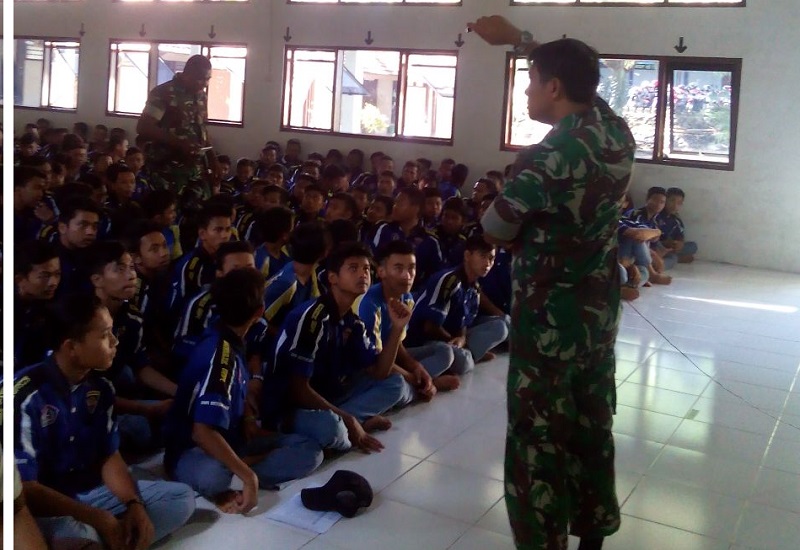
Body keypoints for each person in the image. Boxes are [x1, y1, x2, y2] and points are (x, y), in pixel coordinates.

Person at [471, 15, 637, 550]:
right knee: (591, 425)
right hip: (596, 319)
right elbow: (589, 86)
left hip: (547, 324)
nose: (525, 89)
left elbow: (494, 228)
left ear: (553, 88)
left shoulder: (550, 157)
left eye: (530, 79)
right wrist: (523, 42)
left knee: (537, 440)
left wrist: (509, 188)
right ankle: (593, 533)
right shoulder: (614, 132)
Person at [12, 294, 196, 547]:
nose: (115, 341)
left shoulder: (101, 388)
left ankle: (100, 538)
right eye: (104, 335)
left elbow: (109, 455)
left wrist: (134, 504)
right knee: (77, 533)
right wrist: (99, 519)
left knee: (180, 499)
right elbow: (25, 488)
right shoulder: (24, 396)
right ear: (71, 348)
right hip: (42, 507)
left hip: (89, 493)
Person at [165, 268, 323, 513]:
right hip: (190, 450)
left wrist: (248, 417)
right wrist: (248, 477)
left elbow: (234, 393)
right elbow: (201, 432)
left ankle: (240, 467)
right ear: (259, 312)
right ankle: (243, 471)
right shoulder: (220, 354)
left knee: (309, 449)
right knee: (215, 476)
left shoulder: (229, 338)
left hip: (233, 439)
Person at [269, 242, 410, 453]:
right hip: (291, 405)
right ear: (333, 278)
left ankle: (348, 424)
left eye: (366, 269)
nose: (363, 274)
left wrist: (398, 327)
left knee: (396, 384)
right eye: (353, 268)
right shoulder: (313, 318)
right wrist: (348, 419)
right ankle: (348, 425)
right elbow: (297, 389)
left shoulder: (352, 322)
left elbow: (380, 372)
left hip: (330, 395)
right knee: (331, 429)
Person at [358, 240, 459, 398]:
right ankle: (423, 387)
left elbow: (397, 345)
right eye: (398, 268)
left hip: (389, 357)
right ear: (381, 271)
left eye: (411, 268)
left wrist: (416, 367)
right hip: (372, 366)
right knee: (396, 386)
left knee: (445, 352)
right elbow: (376, 365)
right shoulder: (370, 305)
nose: (407, 276)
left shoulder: (407, 298)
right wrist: (412, 377)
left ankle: (423, 385)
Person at [406, 235, 509, 374]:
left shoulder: (474, 287)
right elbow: (429, 327)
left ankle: (468, 355)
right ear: (467, 255)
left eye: (491, 258)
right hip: (424, 340)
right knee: (463, 362)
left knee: (502, 326)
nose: (487, 263)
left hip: (451, 338)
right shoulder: (449, 280)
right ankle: (463, 359)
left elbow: (463, 322)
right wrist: (456, 341)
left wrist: (462, 338)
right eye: (482, 256)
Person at [136, 54, 220, 196]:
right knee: (168, 213)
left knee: (199, 212)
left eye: (208, 79)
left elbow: (202, 129)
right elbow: (144, 127)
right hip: (167, 169)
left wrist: (212, 158)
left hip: (195, 169)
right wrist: (179, 143)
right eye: (200, 78)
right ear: (187, 74)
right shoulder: (164, 93)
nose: (204, 84)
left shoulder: (201, 96)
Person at [657, 187, 698, 267]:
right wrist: (665, 243)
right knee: (673, 258)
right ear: (665, 200)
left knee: (693, 246)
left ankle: (673, 256)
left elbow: (680, 237)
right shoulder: (657, 214)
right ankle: (661, 264)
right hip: (657, 246)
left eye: (679, 203)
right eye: (672, 201)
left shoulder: (676, 219)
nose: (675, 205)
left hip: (671, 248)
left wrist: (679, 244)